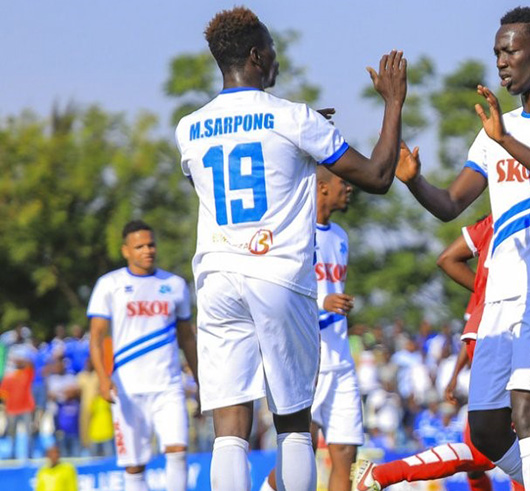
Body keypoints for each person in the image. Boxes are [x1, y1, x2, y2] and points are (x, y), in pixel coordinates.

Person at [174, 7, 407, 491]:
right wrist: (392, 102)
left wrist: (297, 138)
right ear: (257, 55)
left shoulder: (188, 128)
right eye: (272, 51)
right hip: (276, 275)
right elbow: (380, 177)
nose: (276, 59)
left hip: (216, 280)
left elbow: (247, 152)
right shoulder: (294, 117)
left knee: (229, 432)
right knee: (294, 423)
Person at [391, 7, 530, 489]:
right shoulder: (492, 130)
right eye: (497, 53)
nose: (502, 62)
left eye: (510, 51)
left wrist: (507, 140)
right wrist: (414, 181)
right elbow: (449, 205)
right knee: (487, 430)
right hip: (499, 302)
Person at [354, 164, 530, 491]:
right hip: (509, 326)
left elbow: (448, 258)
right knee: (523, 438)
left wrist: (487, 298)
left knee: (509, 441)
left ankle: (380, 476)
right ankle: (380, 475)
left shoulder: (500, 220)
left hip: (488, 328)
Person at [261, 168, 362, 491]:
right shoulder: (295, 233)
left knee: (345, 452)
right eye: (343, 182)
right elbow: (279, 290)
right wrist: (323, 300)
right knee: (301, 452)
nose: (349, 188)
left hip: (341, 358)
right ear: (321, 188)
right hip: (306, 358)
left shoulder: (342, 236)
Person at [87, 220, 197, 491]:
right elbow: (97, 338)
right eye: (140, 246)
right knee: (134, 466)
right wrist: (103, 378)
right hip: (127, 389)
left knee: (177, 451)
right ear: (126, 251)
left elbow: (187, 338)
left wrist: (199, 380)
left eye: (151, 244)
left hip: (168, 386)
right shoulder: (109, 284)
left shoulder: (175, 285)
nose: (147, 250)